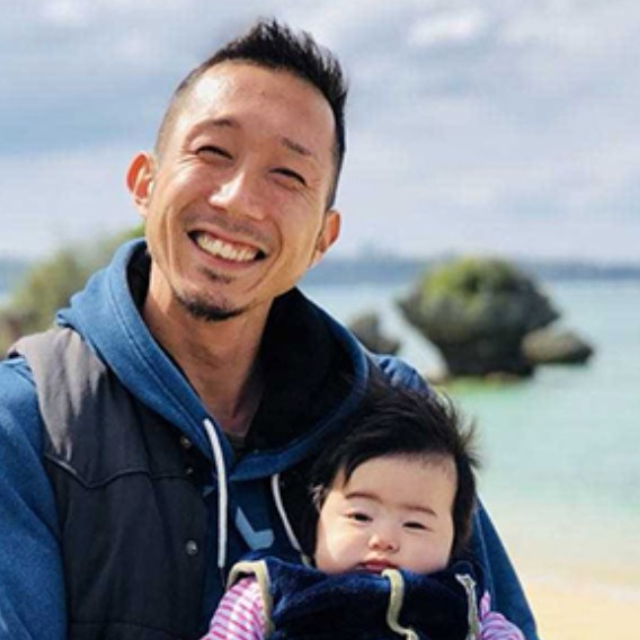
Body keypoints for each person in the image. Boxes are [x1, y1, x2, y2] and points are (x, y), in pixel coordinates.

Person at [0, 19, 539, 640]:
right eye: (213, 152)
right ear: (144, 184)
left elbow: (491, 618)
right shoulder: (29, 420)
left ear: (322, 239)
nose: (239, 200)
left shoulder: (390, 409)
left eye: (288, 175)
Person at [203, 385, 524, 640]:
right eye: (360, 517)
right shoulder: (269, 593)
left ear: (457, 538)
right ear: (317, 515)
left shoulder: (465, 600)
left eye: (414, 524)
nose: (383, 539)